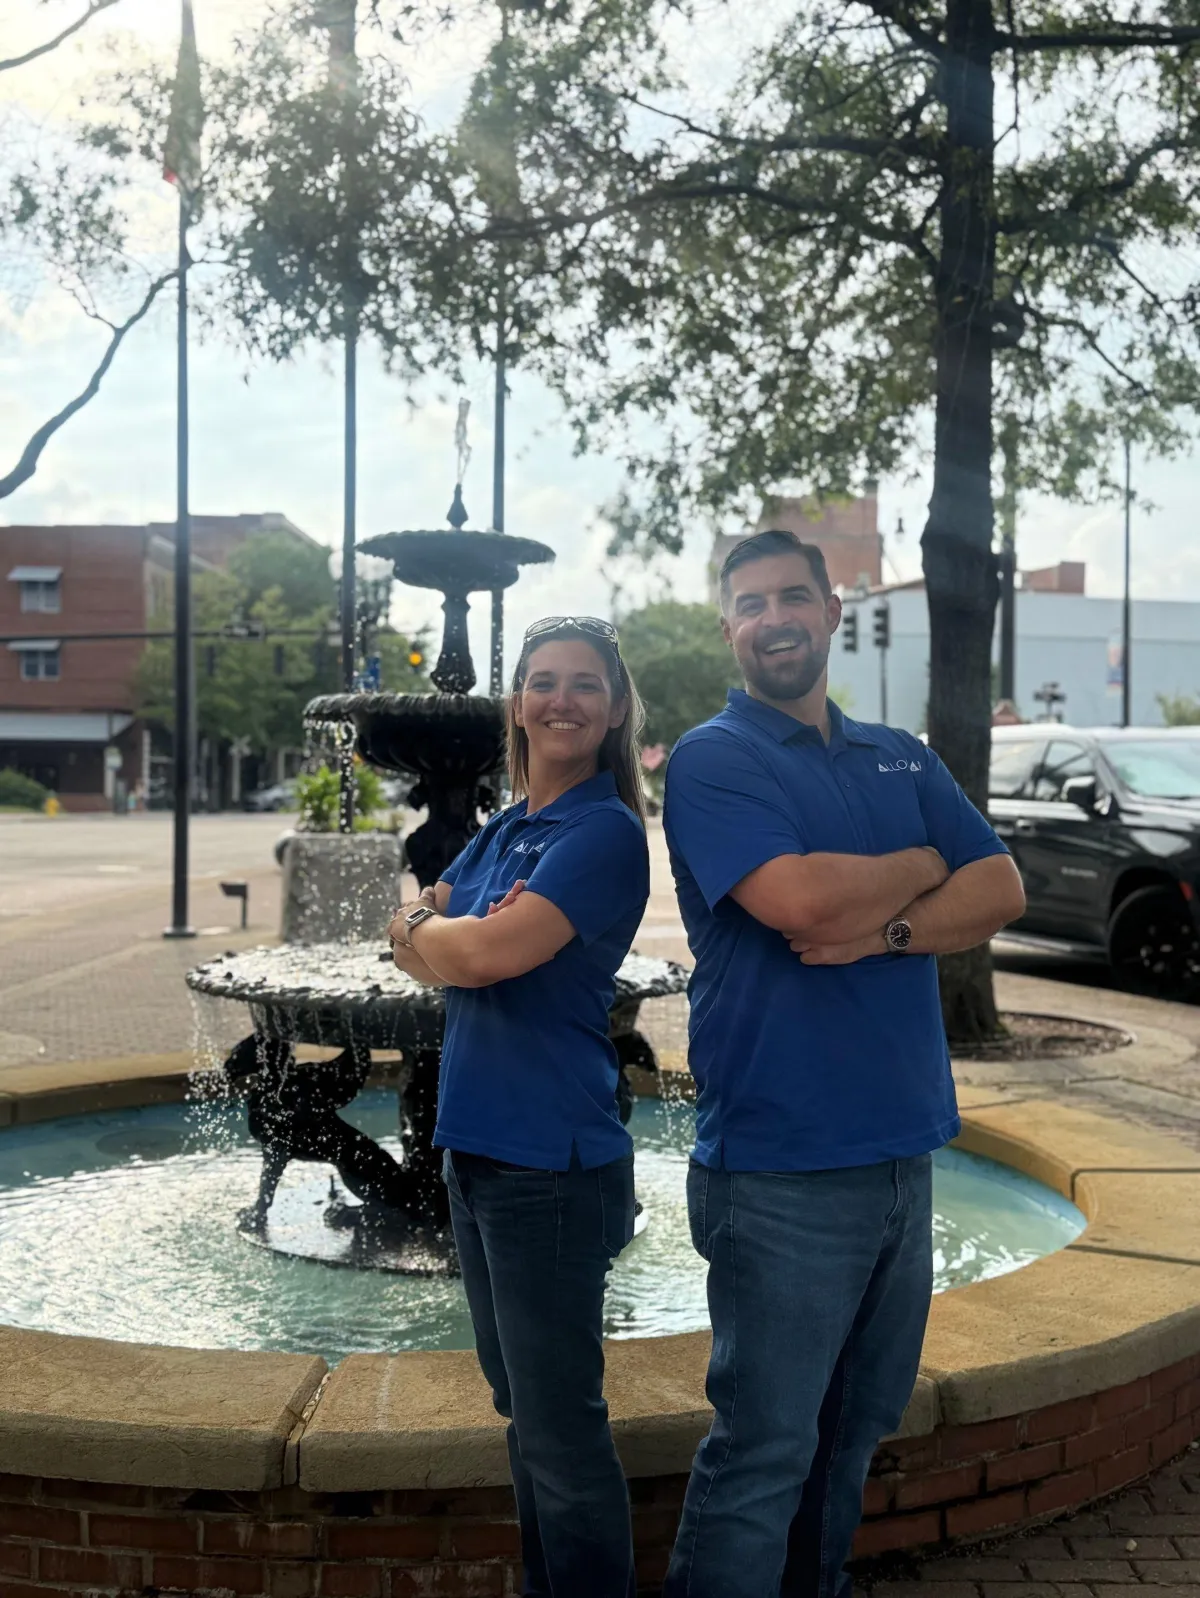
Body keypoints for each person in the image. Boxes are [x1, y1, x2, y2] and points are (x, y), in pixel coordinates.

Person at [661, 529, 1026, 1598]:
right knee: (764, 1449)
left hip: (904, 1154)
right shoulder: (713, 756)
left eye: (792, 596)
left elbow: (999, 886)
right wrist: (921, 863)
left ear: (830, 609)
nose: (773, 617)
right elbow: (801, 903)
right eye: (750, 602)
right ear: (729, 626)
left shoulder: (902, 752)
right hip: (778, 1165)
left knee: (853, 1434)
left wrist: (890, 930)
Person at [388, 616, 650, 1598]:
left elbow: (473, 953)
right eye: (543, 680)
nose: (561, 698)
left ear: (616, 707)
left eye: (585, 682)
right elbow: (429, 934)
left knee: (561, 1427)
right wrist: (439, 924)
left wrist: (434, 924)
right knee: (521, 1410)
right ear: (517, 703)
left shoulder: (604, 832)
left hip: (551, 1159)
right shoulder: (507, 826)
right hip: (474, 1148)